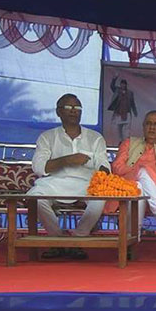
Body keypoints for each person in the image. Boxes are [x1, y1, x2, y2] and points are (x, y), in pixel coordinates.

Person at [27, 94, 110, 260]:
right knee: (34, 197)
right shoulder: (47, 137)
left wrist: (102, 173)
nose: (74, 111)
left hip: (85, 184)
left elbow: (105, 165)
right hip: (53, 183)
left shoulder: (95, 138)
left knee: (100, 197)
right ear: (58, 112)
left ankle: (78, 240)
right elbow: (38, 167)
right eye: (68, 107)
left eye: (77, 108)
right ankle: (57, 240)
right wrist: (67, 160)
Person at [110, 110, 156, 236]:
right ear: (143, 126)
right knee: (143, 171)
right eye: (148, 123)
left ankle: (131, 239)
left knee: (139, 188)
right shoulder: (128, 143)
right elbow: (116, 167)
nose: (152, 127)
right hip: (125, 187)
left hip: (155, 191)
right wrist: (136, 169)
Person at [106, 76, 137, 141]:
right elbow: (112, 86)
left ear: (126, 85)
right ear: (120, 84)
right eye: (122, 84)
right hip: (118, 112)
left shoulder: (130, 93)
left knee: (127, 129)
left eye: (124, 84)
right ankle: (121, 141)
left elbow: (132, 103)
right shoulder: (117, 90)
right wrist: (115, 78)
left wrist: (135, 112)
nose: (123, 85)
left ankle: (126, 142)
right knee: (119, 128)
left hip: (127, 112)